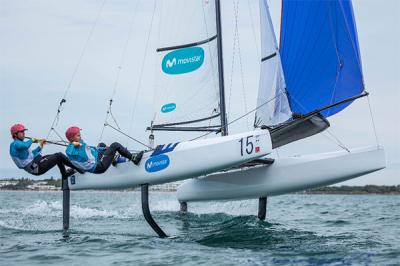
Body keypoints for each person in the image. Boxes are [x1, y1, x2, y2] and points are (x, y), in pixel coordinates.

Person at [9, 123, 84, 179]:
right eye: (21, 132)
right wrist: (32, 140)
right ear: (15, 134)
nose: (24, 133)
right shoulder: (14, 144)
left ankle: (65, 174)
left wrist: (41, 144)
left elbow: (33, 154)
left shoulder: (20, 144)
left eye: (24, 132)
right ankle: (79, 169)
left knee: (57, 157)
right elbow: (25, 145)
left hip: (35, 163)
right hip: (36, 168)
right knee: (59, 155)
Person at [65, 126, 144, 174]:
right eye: (78, 135)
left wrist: (104, 149)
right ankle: (134, 159)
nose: (80, 137)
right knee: (115, 145)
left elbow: (88, 149)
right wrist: (73, 143)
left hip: (96, 158)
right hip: (99, 167)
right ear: (72, 138)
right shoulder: (71, 150)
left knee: (101, 145)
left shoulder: (79, 143)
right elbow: (72, 153)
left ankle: (113, 159)